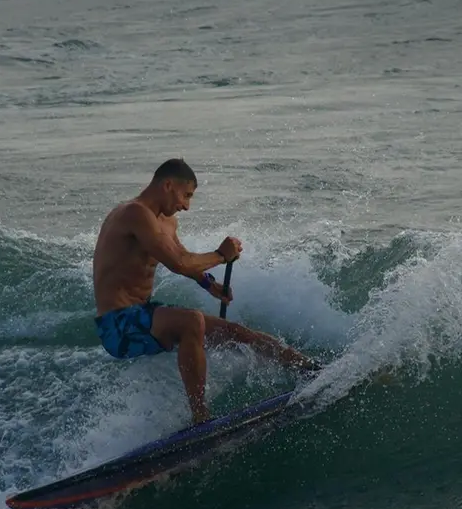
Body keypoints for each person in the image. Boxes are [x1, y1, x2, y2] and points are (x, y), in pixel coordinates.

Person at [93, 158, 318, 425]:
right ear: (168, 185)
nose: (186, 206)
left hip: (143, 313)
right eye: (186, 195)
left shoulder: (166, 221)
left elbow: (182, 256)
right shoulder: (133, 213)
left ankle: (310, 369)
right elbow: (178, 263)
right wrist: (221, 255)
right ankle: (201, 418)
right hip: (118, 326)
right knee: (192, 322)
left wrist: (209, 284)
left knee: (235, 332)